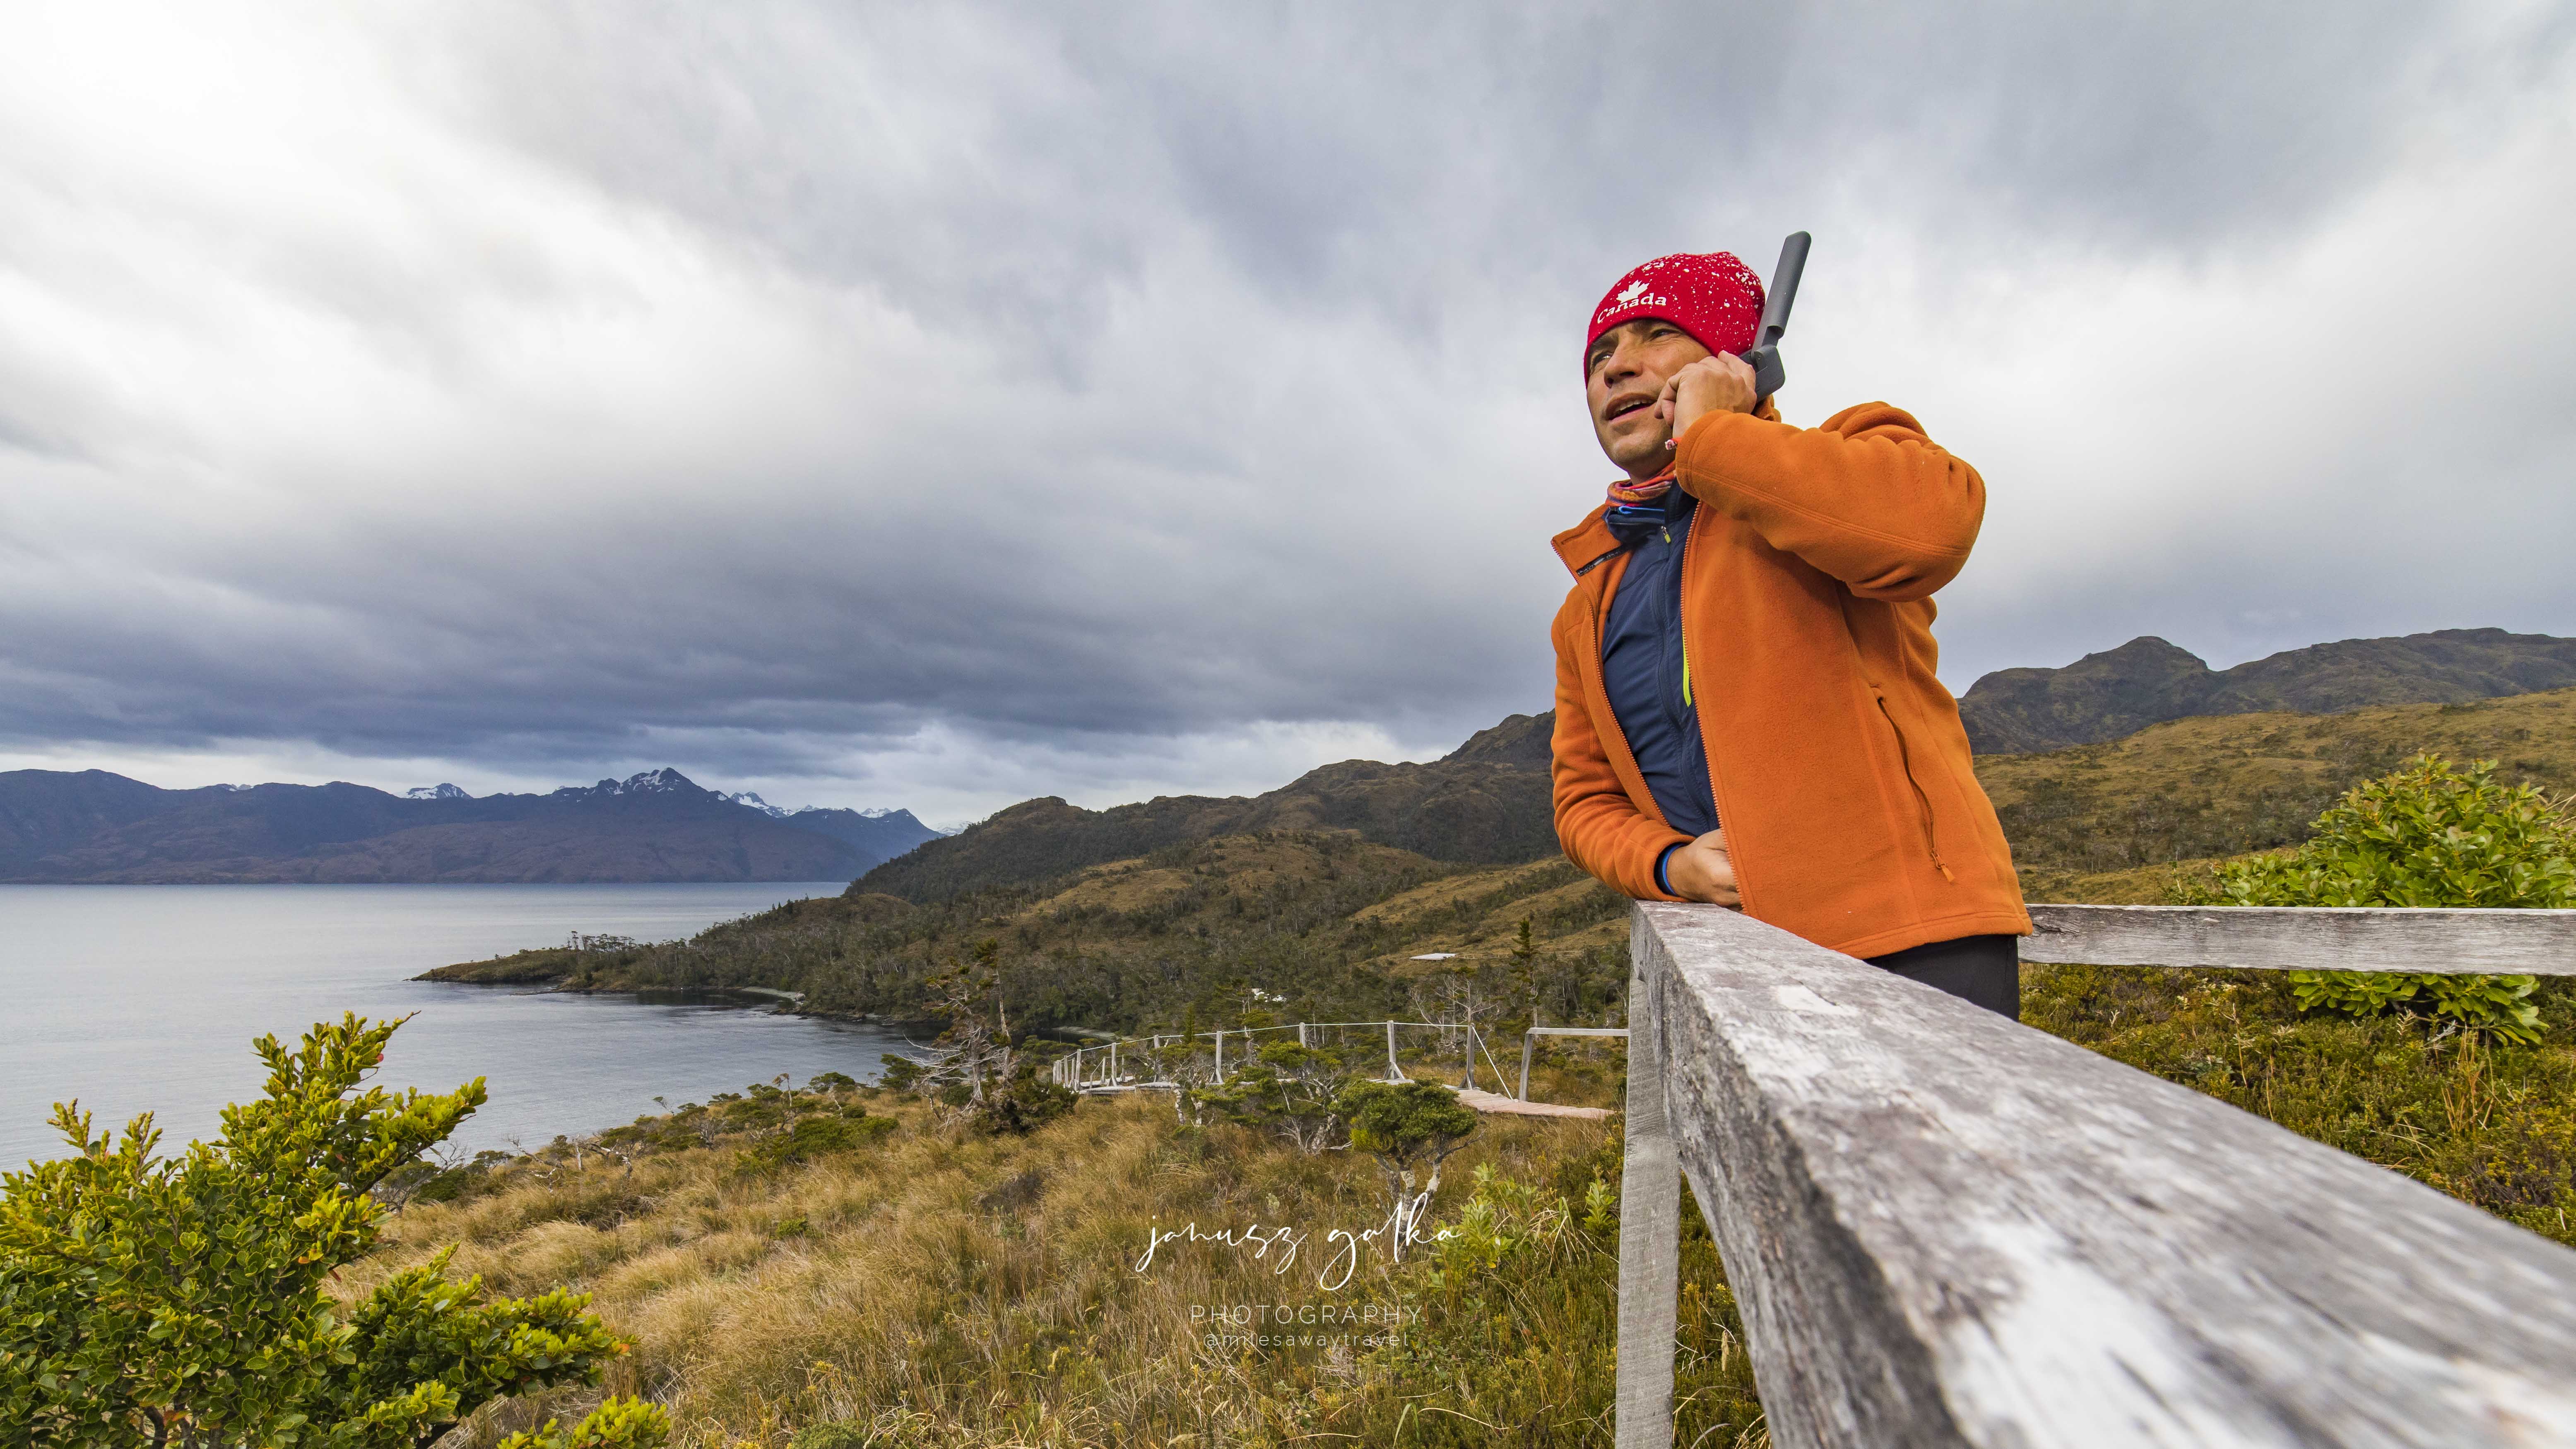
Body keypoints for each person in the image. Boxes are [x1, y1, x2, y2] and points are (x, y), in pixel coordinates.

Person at [1548, 251, 2030, 1016]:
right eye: (1601, 355)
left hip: (1913, 938)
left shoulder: (1847, 449)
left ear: (1735, 362)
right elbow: (1583, 802)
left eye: (1655, 337)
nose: (1614, 369)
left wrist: (1711, 439)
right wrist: (1671, 865)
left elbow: (1933, 531)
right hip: (1738, 961)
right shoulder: (1590, 602)